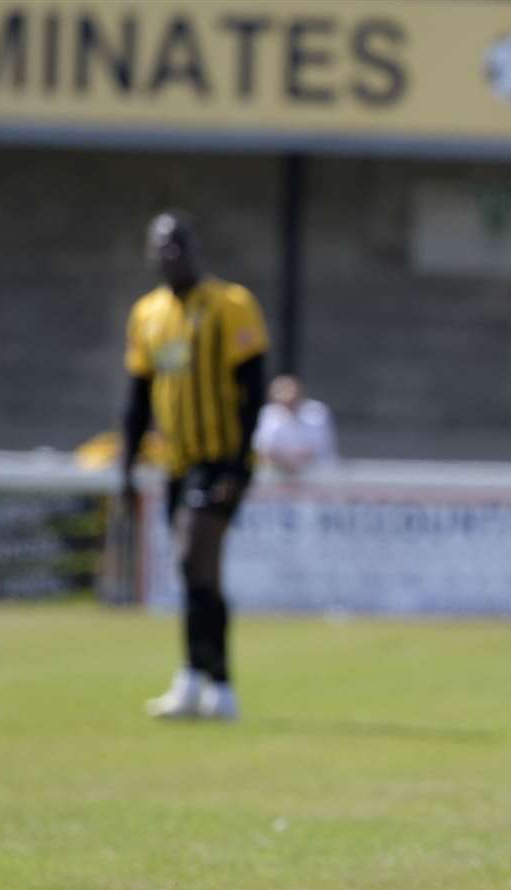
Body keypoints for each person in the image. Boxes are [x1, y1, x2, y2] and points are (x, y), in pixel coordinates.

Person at [121, 210, 268, 720]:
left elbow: (253, 391)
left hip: (220, 460)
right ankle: (210, 683)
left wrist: (239, 465)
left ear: (196, 249)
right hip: (177, 464)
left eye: (178, 244)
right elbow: (139, 397)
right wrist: (126, 466)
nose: (170, 254)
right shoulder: (148, 315)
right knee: (195, 574)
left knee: (192, 557)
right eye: (161, 245)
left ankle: (204, 682)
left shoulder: (231, 305)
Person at [253, 374, 338, 476]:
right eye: (281, 391)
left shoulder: (317, 412)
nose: (287, 395)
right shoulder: (266, 414)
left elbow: (319, 447)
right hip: (276, 477)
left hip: (316, 476)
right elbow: (263, 450)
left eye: (290, 389)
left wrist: (291, 460)